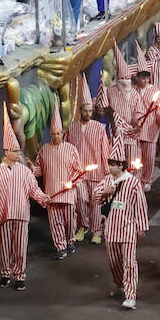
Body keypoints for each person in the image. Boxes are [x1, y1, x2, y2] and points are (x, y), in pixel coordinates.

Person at [0, 121, 48, 290]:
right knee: (4, 247)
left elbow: (33, 189)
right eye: (14, 151)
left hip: (21, 215)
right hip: (5, 216)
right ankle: (5, 274)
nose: (17, 153)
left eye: (18, 150)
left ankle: (20, 276)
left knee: (20, 247)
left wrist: (44, 198)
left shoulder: (24, 171)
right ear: (7, 152)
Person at [92, 139, 149, 310]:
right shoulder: (107, 180)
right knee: (114, 261)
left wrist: (141, 227)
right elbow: (95, 197)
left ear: (121, 166)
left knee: (129, 262)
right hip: (111, 229)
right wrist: (105, 191)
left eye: (113, 164)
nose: (109, 167)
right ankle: (121, 284)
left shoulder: (133, 183)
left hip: (128, 228)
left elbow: (140, 204)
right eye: (109, 163)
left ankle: (131, 295)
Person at [33, 102, 84, 260]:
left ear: (63, 133)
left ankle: (70, 241)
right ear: (50, 134)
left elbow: (79, 171)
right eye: (53, 133)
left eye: (58, 133)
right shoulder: (44, 150)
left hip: (67, 193)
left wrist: (74, 182)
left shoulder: (71, 149)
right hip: (51, 193)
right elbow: (39, 170)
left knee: (70, 221)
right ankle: (60, 247)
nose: (56, 136)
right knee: (55, 223)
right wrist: (29, 170)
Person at [65, 77, 109, 244]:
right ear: (80, 110)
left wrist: (106, 172)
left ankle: (96, 231)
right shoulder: (72, 127)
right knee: (81, 201)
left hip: (96, 172)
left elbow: (105, 150)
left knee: (96, 202)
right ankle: (83, 227)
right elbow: (67, 148)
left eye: (91, 111)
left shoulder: (99, 128)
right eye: (86, 111)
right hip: (78, 172)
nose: (89, 114)